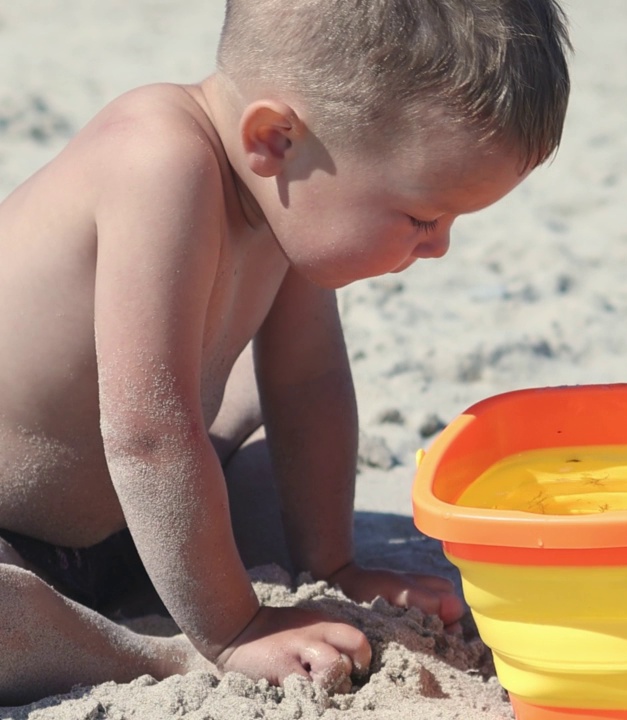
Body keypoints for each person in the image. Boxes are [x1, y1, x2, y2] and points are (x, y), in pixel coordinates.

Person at [0, 0, 570, 705]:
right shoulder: (158, 163)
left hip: (136, 523)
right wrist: (236, 627)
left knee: (267, 428)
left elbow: (308, 383)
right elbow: (148, 434)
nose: (440, 246)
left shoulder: (283, 192)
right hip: (24, 521)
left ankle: (173, 599)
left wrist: (334, 563)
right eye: (423, 217)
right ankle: (150, 656)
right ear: (274, 139)